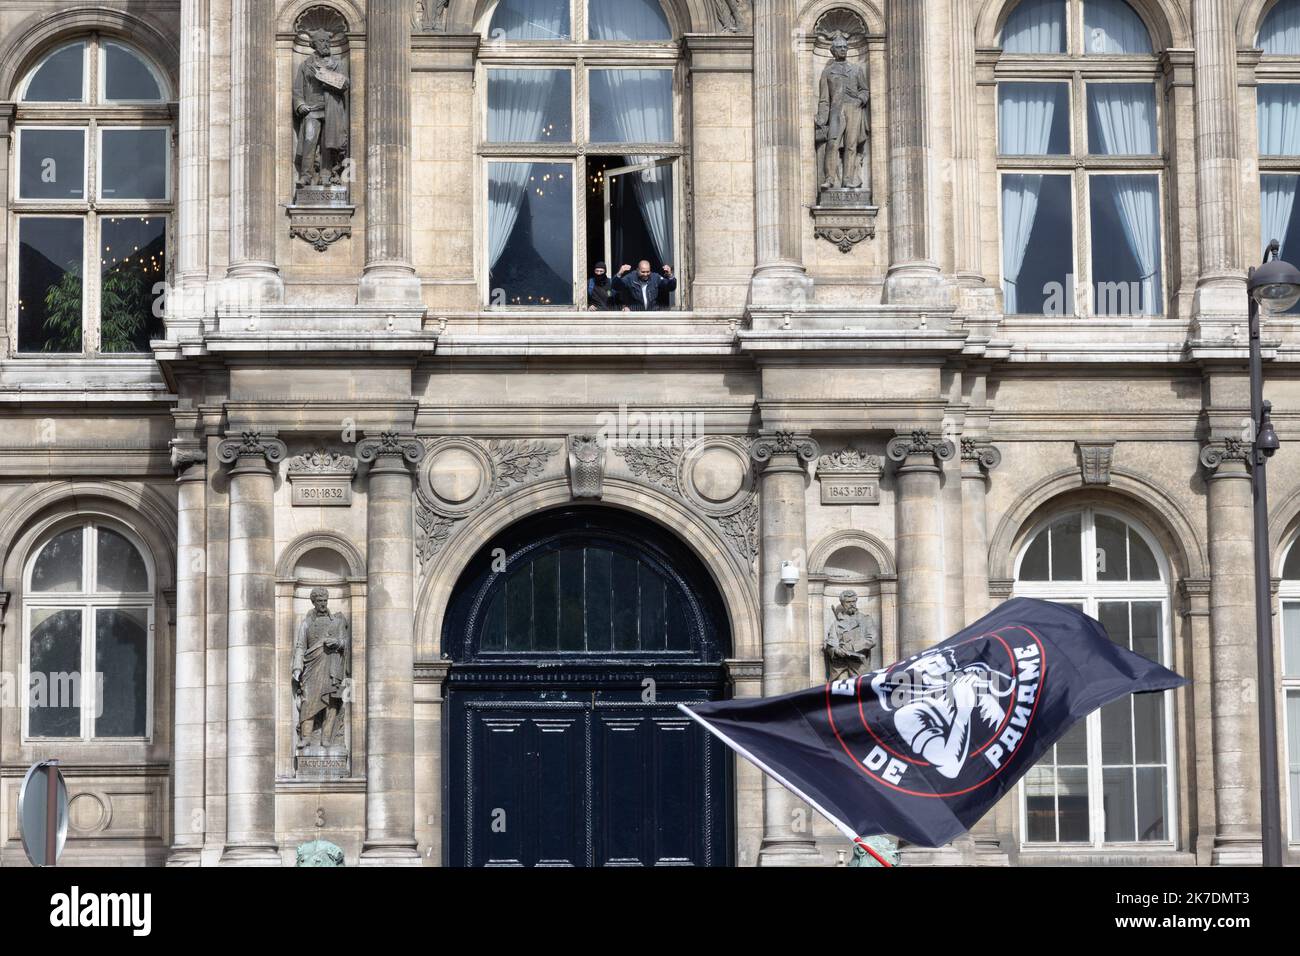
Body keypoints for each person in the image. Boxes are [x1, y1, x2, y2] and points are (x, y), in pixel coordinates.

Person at [292, 587, 351, 749]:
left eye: (325, 601)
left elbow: (346, 643)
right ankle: (306, 737)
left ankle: (326, 737)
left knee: (332, 701)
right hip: (312, 666)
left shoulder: (337, 622)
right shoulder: (307, 624)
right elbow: (300, 647)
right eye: (319, 601)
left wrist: (337, 643)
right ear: (313, 602)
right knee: (308, 699)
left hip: (332, 666)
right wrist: (297, 668)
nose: (323, 604)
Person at [293, 29, 349, 187]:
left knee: (328, 143)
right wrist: (301, 105)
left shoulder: (337, 64)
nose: (326, 45)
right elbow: (297, 91)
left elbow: (345, 83)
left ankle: (326, 175)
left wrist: (323, 75)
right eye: (322, 41)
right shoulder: (305, 66)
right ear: (314, 44)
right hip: (312, 110)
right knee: (309, 141)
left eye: (327, 41)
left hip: (332, 109)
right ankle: (305, 176)